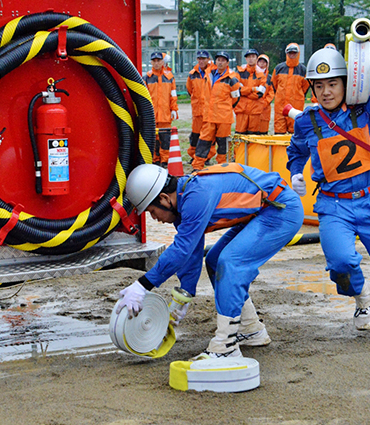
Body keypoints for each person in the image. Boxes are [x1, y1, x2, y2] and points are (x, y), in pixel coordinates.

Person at [286, 38, 370, 333]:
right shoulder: (306, 120)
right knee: (340, 263)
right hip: (333, 204)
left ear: (346, 83)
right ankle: (363, 296)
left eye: (333, 84)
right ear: (312, 88)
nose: (326, 91)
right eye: (319, 85)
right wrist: (296, 172)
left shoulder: (366, 111)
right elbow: (295, 151)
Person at [118, 163, 304, 358]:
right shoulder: (182, 202)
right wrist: (184, 294)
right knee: (214, 260)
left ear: (164, 199)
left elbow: (181, 250)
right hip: (261, 212)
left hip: (282, 210)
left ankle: (226, 347)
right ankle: (251, 330)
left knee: (230, 262)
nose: (155, 219)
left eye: (151, 212)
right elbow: (192, 252)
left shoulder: (197, 196)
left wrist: (143, 285)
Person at [191, 51, 241, 171]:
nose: (220, 62)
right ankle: (197, 167)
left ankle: (222, 167)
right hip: (209, 117)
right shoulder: (209, 74)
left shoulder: (232, 79)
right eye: (218, 60)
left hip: (223, 118)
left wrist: (224, 108)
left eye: (223, 60)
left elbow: (236, 97)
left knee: (223, 145)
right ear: (215, 62)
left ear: (227, 63)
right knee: (203, 142)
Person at [143, 51, 178, 166]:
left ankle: (165, 161)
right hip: (151, 115)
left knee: (165, 139)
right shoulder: (147, 78)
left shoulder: (169, 77)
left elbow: (173, 95)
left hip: (165, 114)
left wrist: (174, 109)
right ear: (151, 62)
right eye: (154, 61)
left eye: (159, 61)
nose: (156, 63)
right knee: (153, 139)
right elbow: (143, 97)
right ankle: (155, 160)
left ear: (163, 62)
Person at [272, 43, 310, 134]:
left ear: (298, 53)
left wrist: (297, 96)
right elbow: (274, 85)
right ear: (286, 53)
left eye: (294, 53)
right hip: (280, 106)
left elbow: (306, 87)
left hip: (296, 107)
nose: (292, 55)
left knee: (295, 133)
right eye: (290, 53)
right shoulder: (278, 68)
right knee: (279, 133)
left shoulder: (303, 70)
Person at [186, 50, 216, 163]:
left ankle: (207, 157)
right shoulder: (192, 74)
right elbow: (189, 90)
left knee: (209, 136)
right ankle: (194, 156)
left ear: (208, 60)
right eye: (199, 58)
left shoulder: (213, 72)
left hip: (209, 110)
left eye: (204, 58)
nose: (201, 61)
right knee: (195, 135)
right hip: (197, 110)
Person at [235, 48, 267, 134]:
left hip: (255, 111)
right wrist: (253, 89)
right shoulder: (239, 72)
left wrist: (245, 92)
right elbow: (237, 89)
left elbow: (260, 93)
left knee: (253, 138)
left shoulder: (261, 75)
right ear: (246, 59)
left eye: (253, 57)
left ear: (257, 59)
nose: (251, 59)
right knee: (239, 136)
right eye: (249, 57)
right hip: (241, 110)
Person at [256, 54, 275, 134]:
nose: (262, 64)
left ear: (267, 64)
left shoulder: (270, 78)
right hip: (254, 108)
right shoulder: (253, 75)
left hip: (265, 109)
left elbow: (271, 93)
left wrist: (264, 103)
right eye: (260, 61)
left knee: (263, 133)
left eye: (264, 62)